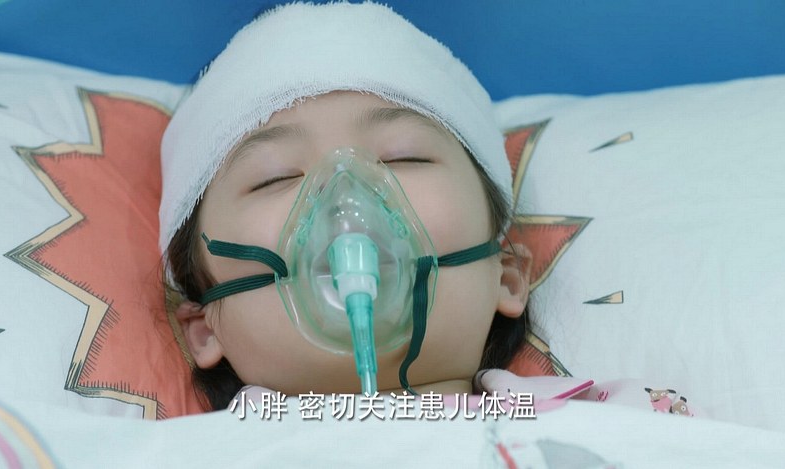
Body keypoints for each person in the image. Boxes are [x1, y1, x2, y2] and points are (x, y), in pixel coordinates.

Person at [160, 1, 539, 411]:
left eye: (403, 157)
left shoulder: (579, 424)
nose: (344, 194)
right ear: (205, 329)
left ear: (506, 277)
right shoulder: (182, 445)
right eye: (276, 177)